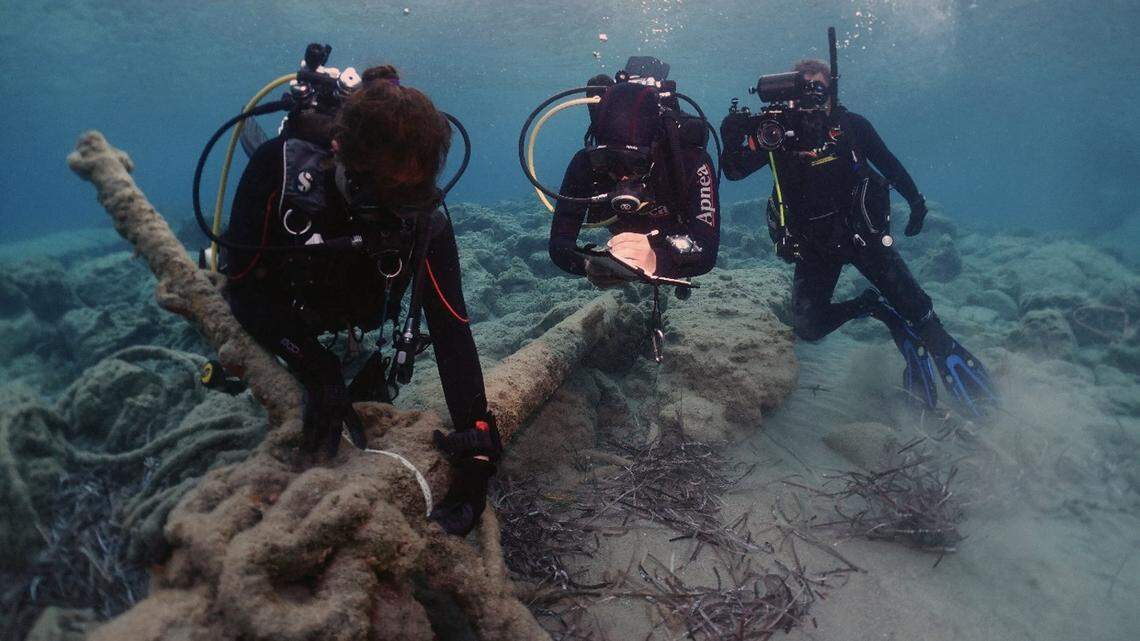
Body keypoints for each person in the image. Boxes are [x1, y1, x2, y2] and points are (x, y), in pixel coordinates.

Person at [220, 63, 499, 535]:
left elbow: (451, 328)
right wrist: (315, 365)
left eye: (408, 199)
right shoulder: (279, 171)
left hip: (356, 312)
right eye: (378, 197)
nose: (390, 217)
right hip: (293, 311)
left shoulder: (424, 215)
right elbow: (243, 292)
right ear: (338, 155)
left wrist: (475, 443)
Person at [720, 59, 997, 417]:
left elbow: (888, 163)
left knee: (921, 315)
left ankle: (945, 355)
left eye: (817, 88)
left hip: (862, 236)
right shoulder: (777, 132)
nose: (810, 97)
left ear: (832, 90)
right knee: (808, 326)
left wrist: (916, 202)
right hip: (815, 246)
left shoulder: (851, 126)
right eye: (801, 89)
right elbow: (734, 170)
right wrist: (733, 137)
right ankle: (869, 304)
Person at [547, 58, 721, 289]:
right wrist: (587, 265)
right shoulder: (587, 162)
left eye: (635, 163)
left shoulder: (688, 161)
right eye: (610, 159)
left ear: (656, 149)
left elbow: (706, 252)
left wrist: (658, 260)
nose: (622, 176)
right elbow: (559, 246)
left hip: (673, 236)